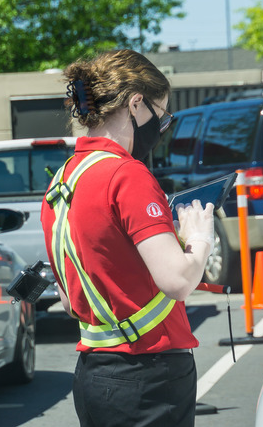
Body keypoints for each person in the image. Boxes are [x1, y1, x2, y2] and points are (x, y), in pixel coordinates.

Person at [40, 49, 215, 427]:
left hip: (94, 374)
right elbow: (178, 281)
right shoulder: (127, 175)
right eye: (162, 114)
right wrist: (199, 239)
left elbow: (74, 303)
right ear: (137, 104)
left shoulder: (62, 182)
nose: (162, 126)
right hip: (148, 373)